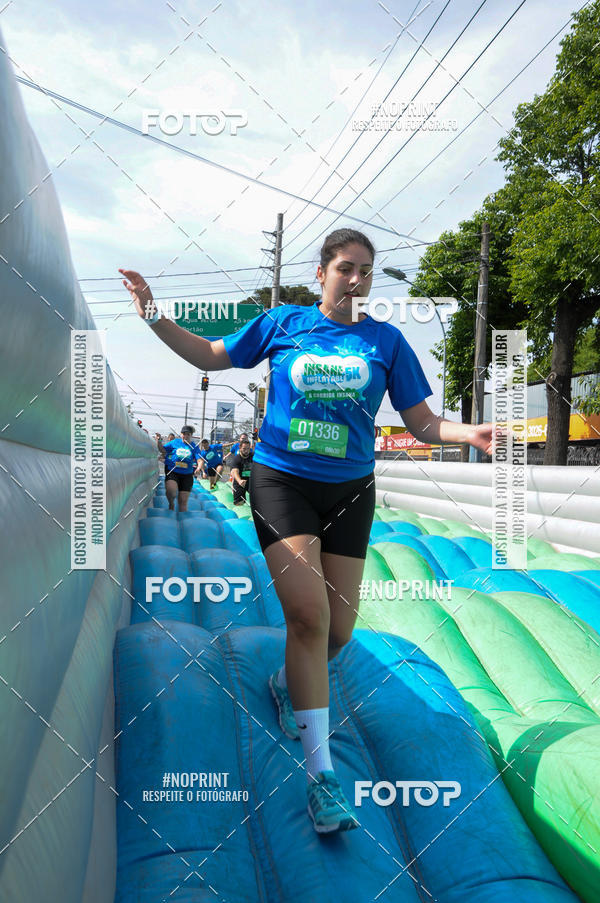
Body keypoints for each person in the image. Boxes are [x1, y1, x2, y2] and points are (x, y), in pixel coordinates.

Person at [119, 229, 493, 834]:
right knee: (309, 619)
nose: (357, 279)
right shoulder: (283, 324)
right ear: (321, 273)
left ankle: (285, 679)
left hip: (350, 491)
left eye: (367, 271)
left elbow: (422, 422)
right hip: (282, 481)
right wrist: (154, 314)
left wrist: (467, 434)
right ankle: (322, 780)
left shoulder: (387, 342)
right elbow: (212, 356)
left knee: (339, 629)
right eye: (346, 268)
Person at [156, 426, 201, 512]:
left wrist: (198, 468)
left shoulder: (194, 446)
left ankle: (183, 520)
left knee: (183, 502)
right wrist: (159, 441)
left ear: (191, 435)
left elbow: (199, 459)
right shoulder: (175, 442)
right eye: (184, 434)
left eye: (188, 434)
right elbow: (162, 450)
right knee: (171, 492)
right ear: (181, 434)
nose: (186, 436)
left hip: (187, 475)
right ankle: (171, 503)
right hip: (173, 472)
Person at [230, 438, 254, 505]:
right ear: (240, 448)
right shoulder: (236, 459)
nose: (246, 451)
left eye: (248, 449)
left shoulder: (253, 456)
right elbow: (235, 471)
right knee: (239, 503)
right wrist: (239, 481)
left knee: (257, 499)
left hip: (251, 481)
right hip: (239, 481)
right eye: (244, 449)